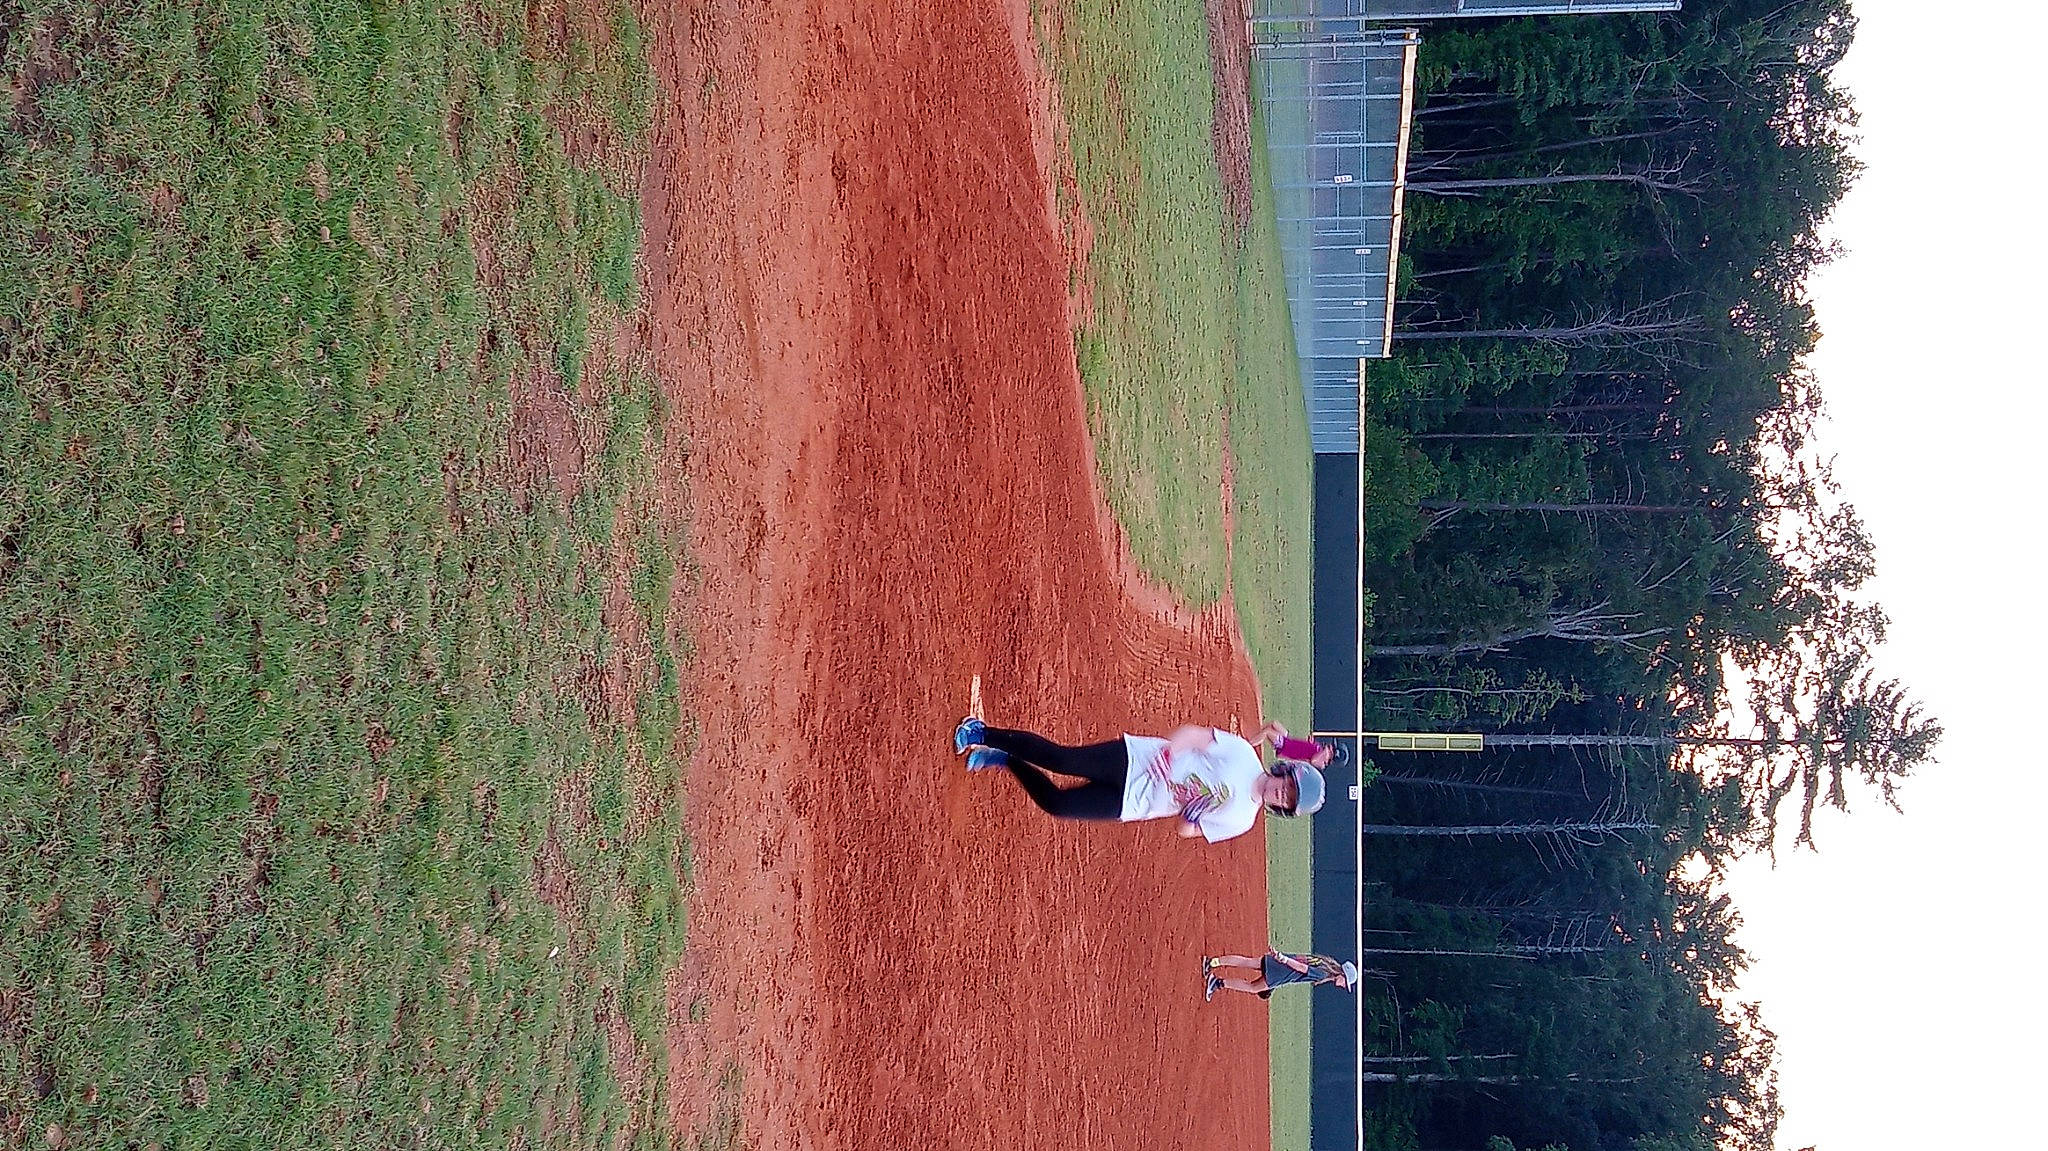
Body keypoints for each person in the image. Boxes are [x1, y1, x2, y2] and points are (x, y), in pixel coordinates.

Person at [953, 717, 1326, 843]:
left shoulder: (1242, 821)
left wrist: (1190, 818)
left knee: (1059, 805)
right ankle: (982, 733)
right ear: (1285, 771)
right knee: (1061, 759)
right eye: (1288, 786)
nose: (1282, 793)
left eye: (1287, 799)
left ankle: (1006, 760)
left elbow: (1187, 832)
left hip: (1137, 804)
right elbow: (1194, 735)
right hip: (1135, 760)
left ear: (1283, 809)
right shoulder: (1244, 754)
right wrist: (1168, 753)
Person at [1203, 950, 1359, 1001]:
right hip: (1282, 971)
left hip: (1280, 962)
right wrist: (1283, 960)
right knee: (1253, 987)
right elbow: (1301, 967)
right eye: (1345, 982)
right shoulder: (1322, 974)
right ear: (1342, 974)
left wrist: (1281, 957)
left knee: (1247, 962)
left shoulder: (1323, 961)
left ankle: (1212, 962)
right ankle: (1216, 982)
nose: (1342, 985)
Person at [1255, 719, 1335, 769]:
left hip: (1286, 747)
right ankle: (1256, 736)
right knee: (1273, 723)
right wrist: (1310, 742)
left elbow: (1313, 761)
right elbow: (1307, 747)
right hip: (1289, 741)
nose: (1329, 747)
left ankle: (1250, 744)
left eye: (1331, 749)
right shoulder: (1319, 748)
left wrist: (1324, 753)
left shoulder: (1321, 762)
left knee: (1267, 732)